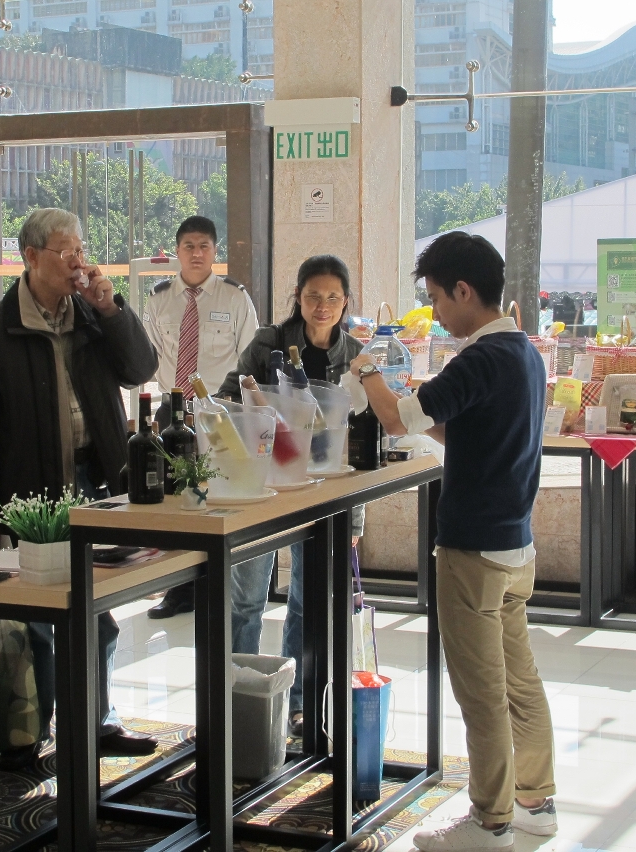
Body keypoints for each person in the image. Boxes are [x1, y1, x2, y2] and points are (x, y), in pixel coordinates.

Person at [354, 232, 556, 851]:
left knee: (480, 691)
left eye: (438, 298)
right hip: (514, 546)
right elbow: (467, 431)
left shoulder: (476, 359)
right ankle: (535, 803)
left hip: (472, 549)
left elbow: (397, 418)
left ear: (465, 291)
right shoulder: (524, 353)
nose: (436, 312)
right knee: (519, 680)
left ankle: (489, 820)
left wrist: (367, 370)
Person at [0, 207, 161, 767]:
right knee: (34, 623)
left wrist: (111, 308)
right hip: (29, 495)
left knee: (100, 606)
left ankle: (95, 721)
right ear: (29, 257)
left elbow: (141, 367)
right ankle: (23, 734)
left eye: (80, 248)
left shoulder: (94, 317)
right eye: (64, 250)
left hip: (96, 483)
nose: (78, 261)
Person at [216, 254, 365, 738]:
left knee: (307, 599)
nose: (322, 306)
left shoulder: (355, 355)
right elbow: (225, 397)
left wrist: (355, 521)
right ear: (297, 297)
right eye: (312, 296)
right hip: (266, 487)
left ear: (346, 302)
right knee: (246, 599)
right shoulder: (267, 344)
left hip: (325, 495)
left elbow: (358, 441)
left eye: (333, 297)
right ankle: (237, 694)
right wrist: (252, 399)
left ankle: (297, 702)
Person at [144, 215, 261, 619]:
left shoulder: (234, 297)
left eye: (204, 246)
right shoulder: (158, 298)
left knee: (216, 497)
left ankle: (215, 587)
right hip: (171, 407)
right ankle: (177, 591)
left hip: (218, 411)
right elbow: (150, 355)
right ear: (177, 251)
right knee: (175, 501)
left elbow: (249, 359)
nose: (197, 253)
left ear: (215, 251)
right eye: (189, 246)